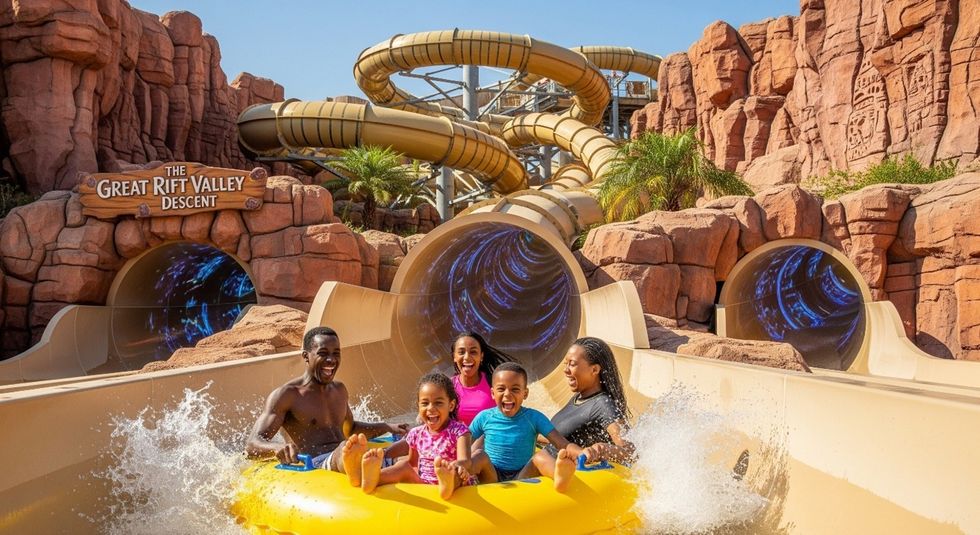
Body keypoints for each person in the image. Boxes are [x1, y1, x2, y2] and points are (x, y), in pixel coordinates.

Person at [244, 326, 409, 474]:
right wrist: (277, 448)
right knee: (347, 448)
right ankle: (364, 468)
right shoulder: (288, 395)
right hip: (317, 464)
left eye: (336, 354)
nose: (331, 360)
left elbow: (350, 429)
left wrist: (389, 427)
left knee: (412, 446)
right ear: (306, 356)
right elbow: (252, 445)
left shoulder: (339, 390)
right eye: (323, 353)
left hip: (345, 457)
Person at [348, 373, 486, 499]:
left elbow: (466, 461)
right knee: (403, 466)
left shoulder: (459, 431)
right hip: (424, 482)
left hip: (454, 480)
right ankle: (373, 478)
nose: (431, 408)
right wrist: (392, 462)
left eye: (438, 403)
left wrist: (456, 466)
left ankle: (447, 483)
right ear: (418, 406)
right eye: (425, 403)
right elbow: (413, 463)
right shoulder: (416, 433)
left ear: (451, 405)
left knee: (455, 473)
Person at [525, 337, 635, 487]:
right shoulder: (579, 397)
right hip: (543, 467)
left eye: (572, 364)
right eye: (566, 364)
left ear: (594, 370)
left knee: (538, 459)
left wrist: (602, 449)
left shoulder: (603, 404)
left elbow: (629, 451)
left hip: (558, 477)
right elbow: (560, 437)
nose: (566, 370)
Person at [462, 362, 581, 492]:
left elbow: (562, 444)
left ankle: (560, 476)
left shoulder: (534, 418)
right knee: (479, 455)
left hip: (523, 476)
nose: (507, 394)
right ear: (492, 393)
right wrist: (458, 462)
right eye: (501, 389)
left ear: (525, 393)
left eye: (515, 389)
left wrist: (582, 453)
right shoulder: (484, 417)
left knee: (540, 456)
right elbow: (463, 444)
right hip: (491, 476)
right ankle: (456, 477)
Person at [450, 332, 512, 426]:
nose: (467, 357)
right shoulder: (447, 387)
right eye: (461, 352)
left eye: (473, 352)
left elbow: (512, 417)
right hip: (457, 440)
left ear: (481, 356)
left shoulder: (494, 383)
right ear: (454, 356)